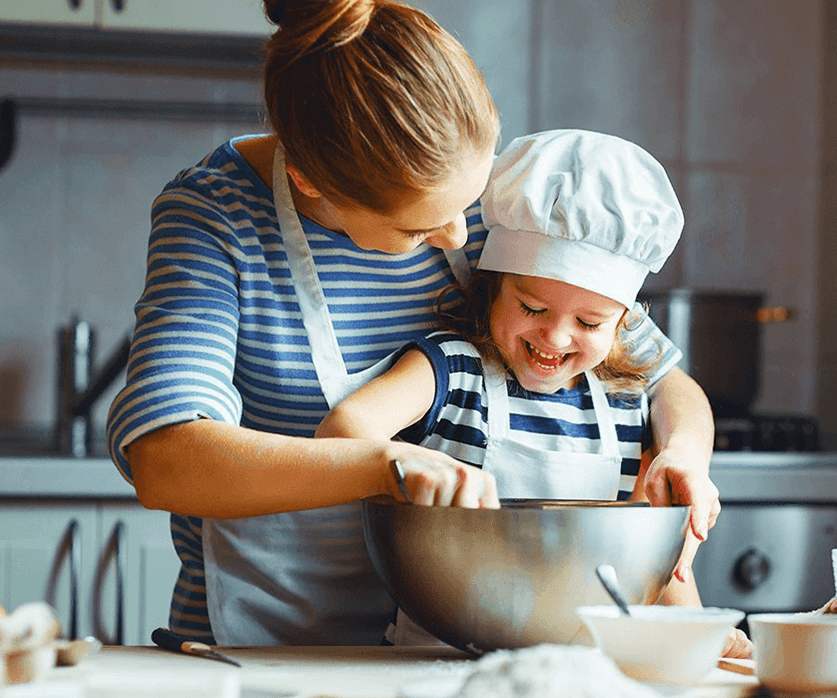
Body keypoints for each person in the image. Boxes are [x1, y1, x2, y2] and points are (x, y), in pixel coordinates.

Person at [106, 0, 721, 649]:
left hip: (453, 655)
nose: (462, 238)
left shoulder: (496, 206)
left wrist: (683, 455)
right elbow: (166, 459)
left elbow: (659, 377)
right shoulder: (217, 218)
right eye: (421, 226)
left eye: (470, 202)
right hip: (271, 652)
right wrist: (382, 463)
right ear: (312, 181)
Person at [317, 130, 752, 658]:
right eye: (532, 308)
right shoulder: (453, 369)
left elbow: (660, 563)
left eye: (590, 321)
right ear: (492, 288)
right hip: (438, 659)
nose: (555, 337)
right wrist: (404, 467)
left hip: (584, 672)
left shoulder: (624, 399)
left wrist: (698, 636)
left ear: (625, 325)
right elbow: (343, 430)